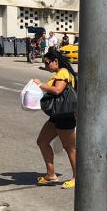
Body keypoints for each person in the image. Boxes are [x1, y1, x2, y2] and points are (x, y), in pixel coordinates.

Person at [33, 49, 77, 189]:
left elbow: (58, 90)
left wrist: (40, 84)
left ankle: (78, 177)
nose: (46, 66)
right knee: (42, 141)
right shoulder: (59, 73)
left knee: (70, 148)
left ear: (55, 61)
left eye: (47, 63)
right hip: (56, 116)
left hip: (65, 115)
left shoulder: (63, 72)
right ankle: (51, 175)